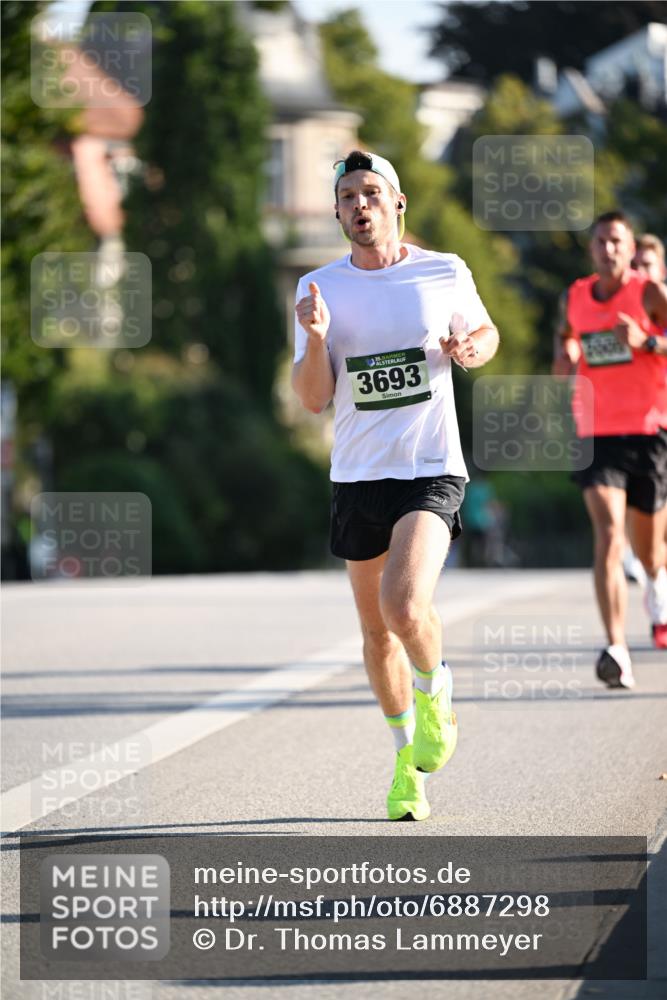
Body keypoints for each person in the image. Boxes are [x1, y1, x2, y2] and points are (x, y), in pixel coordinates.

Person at [292, 150, 499, 820]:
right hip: (357, 475)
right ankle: (405, 765)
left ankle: (436, 692)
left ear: (398, 203)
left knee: (403, 607)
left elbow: (485, 331)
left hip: (429, 467)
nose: (359, 205)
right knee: (375, 633)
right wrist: (318, 340)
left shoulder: (443, 271)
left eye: (371, 193)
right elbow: (312, 399)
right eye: (347, 195)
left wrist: (472, 348)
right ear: (335, 210)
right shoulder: (318, 288)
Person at [553, 211, 667, 688]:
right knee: (608, 536)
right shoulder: (575, 298)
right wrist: (567, 359)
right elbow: (563, 353)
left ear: (627, 246)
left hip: (649, 431)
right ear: (592, 248)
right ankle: (616, 648)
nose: (609, 249)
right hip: (598, 431)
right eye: (601, 241)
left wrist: (648, 342)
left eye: (617, 241)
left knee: (649, 552)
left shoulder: (649, 292)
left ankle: (657, 586)